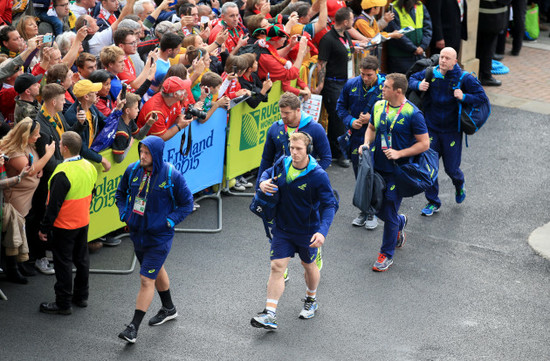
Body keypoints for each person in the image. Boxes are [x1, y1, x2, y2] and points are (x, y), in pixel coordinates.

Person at [251, 132, 338, 330]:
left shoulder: (318, 176)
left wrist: (322, 232)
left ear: (308, 150)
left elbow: (329, 205)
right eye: (292, 148)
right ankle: (270, 314)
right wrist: (263, 183)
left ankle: (311, 299)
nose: (294, 152)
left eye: (299, 149)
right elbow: (267, 172)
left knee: (308, 265)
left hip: (307, 231)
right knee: (277, 267)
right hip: (282, 227)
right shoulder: (283, 162)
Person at [115, 135, 194, 343]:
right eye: (141, 151)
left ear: (156, 154)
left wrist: (169, 221)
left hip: (160, 236)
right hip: (138, 234)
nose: (142, 156)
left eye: (147, 153)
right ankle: (169, 308)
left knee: (146, 278)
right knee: (156, 270)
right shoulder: (132, 170)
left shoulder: (172, 175)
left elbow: (187, 204)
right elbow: (120, 194)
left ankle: (133, 328)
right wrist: (124, 214)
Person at [359, 73, 429, 272]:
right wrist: (365, 144)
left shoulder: (413, 113)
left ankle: (386, 254)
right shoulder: (379, 106)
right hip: (376, 167)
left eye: (386, 86)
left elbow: (424, 144)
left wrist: (400, 153)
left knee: (388, 209)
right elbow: (371, 128)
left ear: (398, 91)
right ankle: (400, 222)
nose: (382, 88)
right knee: (376, 207)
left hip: (398, 171)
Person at [409, 47, 488, 217]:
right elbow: (410, 79)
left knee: (452, 169)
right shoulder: (431, 72)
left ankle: (459, 184)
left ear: (455, 61)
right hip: (430, 129)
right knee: (429, 168)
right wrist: (418, 84)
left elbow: (481, 97)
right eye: (441, 57)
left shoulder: (464, 78)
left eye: (447, 58)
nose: (443, 60)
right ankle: (433, 202)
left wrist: (464, 97)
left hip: (452, 131)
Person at [38, 131, 97, 315]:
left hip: (64, 225)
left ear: (64, 148)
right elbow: (92, 191)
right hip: (83, 221)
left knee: (63, 263)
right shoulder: (89, 166)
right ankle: (81, 296)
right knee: (82, 260)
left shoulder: (62, 172)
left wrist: (44, 228)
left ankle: (63, 302)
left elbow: (53, 206)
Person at [1, 119, 56, 283]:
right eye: (35, 134)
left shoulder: (25, 144)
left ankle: (20, 263)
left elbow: (32, 165)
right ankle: (13, 269)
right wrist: (48, 155)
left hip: (25, 199)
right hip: (15, 199)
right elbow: (30, 170)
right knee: (13, 234)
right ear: (25, 136)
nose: (38, 137)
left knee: (21, 231)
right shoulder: (14, 151)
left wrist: (37, 169)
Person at [336, 55, 384, 230]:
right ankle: (364, 210)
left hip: (378, 137)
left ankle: (374, 212)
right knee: (361, 175)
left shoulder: (385, 86)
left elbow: (394, 109)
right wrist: (350, 121)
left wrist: (373, 118)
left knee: (374, 174)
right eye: (363, 74)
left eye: (369, 75)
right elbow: (340, 106)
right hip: (357, 137)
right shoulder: (351, 84)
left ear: (376, 72)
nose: (365, 78)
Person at [314, 7, 357, 168]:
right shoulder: (328, 39)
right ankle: (340, 153)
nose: (353, 22)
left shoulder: (345, 35)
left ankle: (335, 149)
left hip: (346, 82)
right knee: (338, 117)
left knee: (342, 117)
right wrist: (320, 84)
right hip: (333, 83)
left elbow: (349, 55)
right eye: (352, 19)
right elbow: (321, 64)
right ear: (345, 21)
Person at [65, 79, 112, 172]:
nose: (97, 92)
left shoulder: (91, 107)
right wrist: (102, 159)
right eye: (93, 91)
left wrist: (118, 111)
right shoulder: (71, 116)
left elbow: (106, 122)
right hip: (79, 164)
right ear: (86, 97)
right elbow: (82, 149)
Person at [137, 76, 192, 141]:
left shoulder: (174, 100)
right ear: (175, 94)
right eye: (183, 89)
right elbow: (161, 137)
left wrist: (181, 119)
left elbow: (176, 115)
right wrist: (179, 126)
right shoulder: (156, 112)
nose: (186, 91)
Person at [385, 0, 432, 74]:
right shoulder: (394, 8)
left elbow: (428, 29)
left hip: (418, 56)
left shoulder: (421, 6)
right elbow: (396, 33)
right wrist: (414, 49)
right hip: (399, 57)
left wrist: (422, 46)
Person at [112, 93, 154, 163]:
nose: (138, 110)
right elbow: (118, 159)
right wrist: (129, 145)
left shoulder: (129, 120)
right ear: (127, 111)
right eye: (136, 108)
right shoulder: (121, 133)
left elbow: (138, 135)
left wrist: (149, 123)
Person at [476, 0, 509, 86]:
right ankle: (485, 76)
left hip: (482, 13)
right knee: (488, 48)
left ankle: (479, 73)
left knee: (481, 46)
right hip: (492, 16)